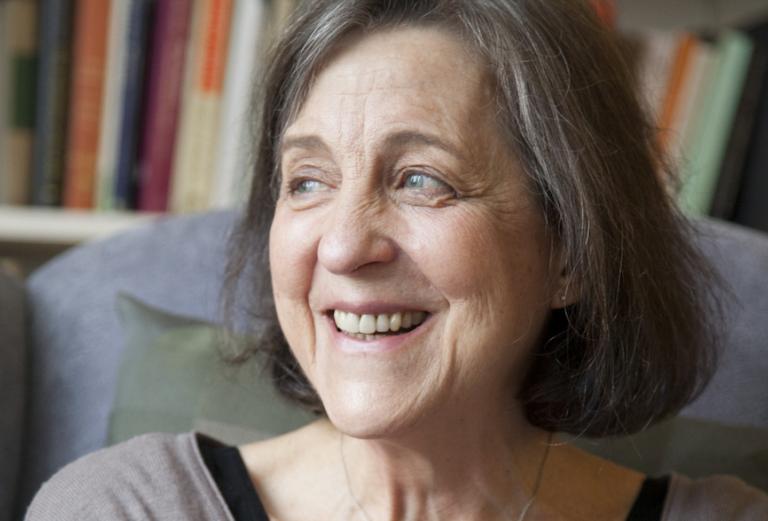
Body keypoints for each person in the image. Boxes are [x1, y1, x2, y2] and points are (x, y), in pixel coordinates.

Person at [26, 1, 768, 520]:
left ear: (570, 249)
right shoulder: (128, 507)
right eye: (307, 182)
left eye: (421, 180)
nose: (345, 245)